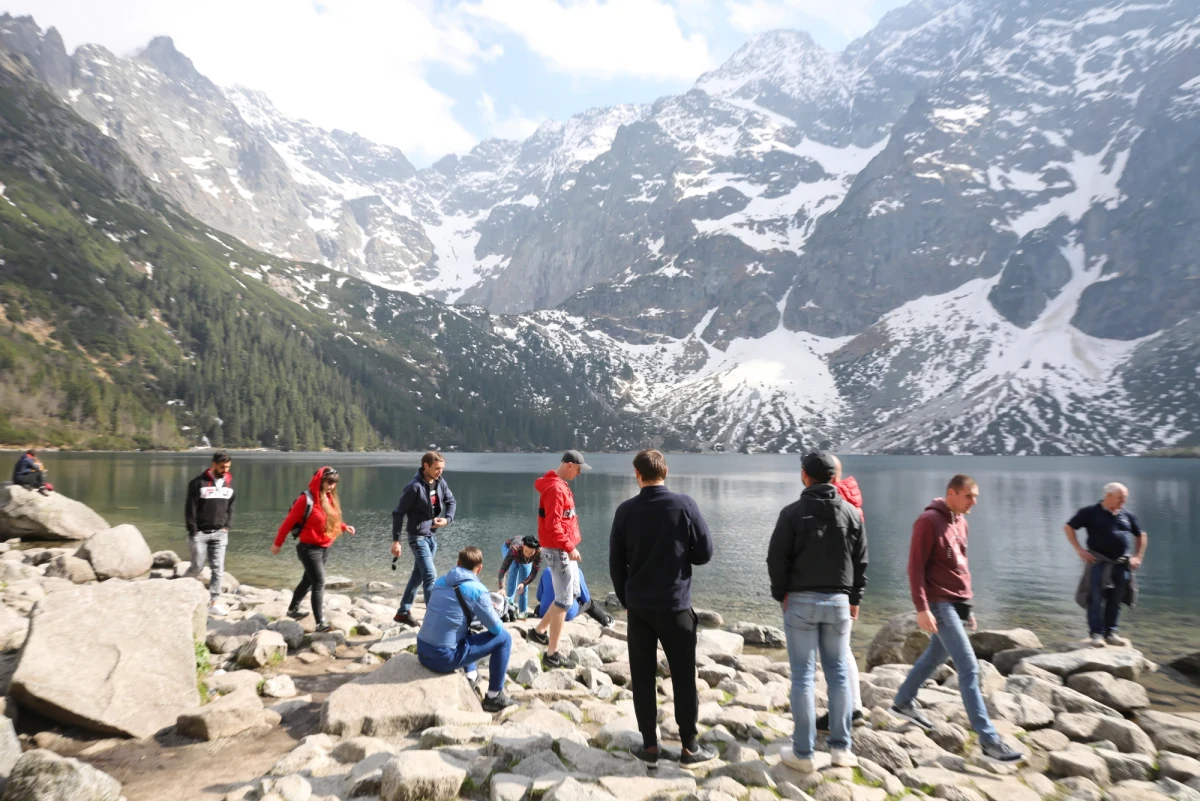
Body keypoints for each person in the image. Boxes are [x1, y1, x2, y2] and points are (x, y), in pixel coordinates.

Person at [889, 475, 1023, 764]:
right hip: (938, 604)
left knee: (933, 658)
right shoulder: (928, 521)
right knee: (969, 668)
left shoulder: (961, 521)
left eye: (976, 496)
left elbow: (960, 568)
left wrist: (968, 608)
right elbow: (915, 568)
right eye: (969, 496)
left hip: (956, 604)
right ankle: (989, 742)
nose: (974, 501)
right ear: (952, 493)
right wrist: (922, 608)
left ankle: (901, 702)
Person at [610, 449, 718, 769]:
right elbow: (706, 551)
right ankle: (689, 748)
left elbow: (617, 565)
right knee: (684, 677)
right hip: (676, 607)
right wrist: (685, 559)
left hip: (640, 609)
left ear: (638, 474)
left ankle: (650, 747)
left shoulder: (625, 511)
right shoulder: (685, 505)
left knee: (643, 678)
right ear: (665, 472)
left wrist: (626, 601)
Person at [767, 451, 867, 774]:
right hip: (839, 602)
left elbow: (776, 558)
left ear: (804, 476)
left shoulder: (792, 514)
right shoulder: (852, 514)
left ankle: (804, 752)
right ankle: (841, 749)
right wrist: (855, 597)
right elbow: (861, 560)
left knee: (803, 677)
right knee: (838, 675)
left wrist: (780, 593)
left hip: (800, 602)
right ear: (832, 479)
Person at [416, 546, 517, 713]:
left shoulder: (439, 582)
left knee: (463, 631)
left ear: (458, 563)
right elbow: (496, 629)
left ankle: (471, 675)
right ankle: (494, 697)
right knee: (504, 639)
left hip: (422, 650)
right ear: (479, 569)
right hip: (443, 658)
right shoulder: (477, 590)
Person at [271, 466, 355, 633]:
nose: (332, 485)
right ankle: (320, 623)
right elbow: (288, 523)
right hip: (309, 549)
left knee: (308, 580)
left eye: (335, 482)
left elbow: (330, 520)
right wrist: (278, 543)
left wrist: (344, 527)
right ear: (320, 480)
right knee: (319, 581)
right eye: (329, 482)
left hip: (325, 547)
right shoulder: (306, 500)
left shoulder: (328, 498)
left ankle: (292, 609)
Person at [817, 454, 866, 731]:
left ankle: (844, 712)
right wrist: (856, 595)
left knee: (833, 654)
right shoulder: (853, 504)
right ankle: (855, 706)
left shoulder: (838, 505)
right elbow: (861, 555)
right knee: (843, 650)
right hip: (846, 588)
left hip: (833, 590)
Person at [1065, 482, 1147, 647]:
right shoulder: (1089, 512)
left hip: (1121, 563)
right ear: (1108, 496)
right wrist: (1079, 550)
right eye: (1120, 498)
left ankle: (1111, 632)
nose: (1123, 501)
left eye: (1125, 498)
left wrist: (1138, 556)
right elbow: (1069, 527)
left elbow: (1141, 535)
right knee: (1095, 598)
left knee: (1116, 599)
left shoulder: (1127, 515)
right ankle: (1096, 634)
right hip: (1098, 561)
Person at [527, 450, 588, 669]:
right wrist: (569, 547)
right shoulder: (555, 489)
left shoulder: (558, 485)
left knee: (569, 594)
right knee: (564, 600)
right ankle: (552, 654)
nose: (579, 473)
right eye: (579, 469)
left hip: (561, 548)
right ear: (570, 465)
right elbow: (553, 525)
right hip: (558, 550)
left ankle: (538, 631)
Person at [391, 451, 457, 627]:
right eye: (437, 468)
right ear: (425, 466)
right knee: (430, 575)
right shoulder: (413, 487)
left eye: (442, 468)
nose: (440, 472)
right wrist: (396, 540)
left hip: (431, 537)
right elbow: (398, 513)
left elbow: (451, 501)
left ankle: (403, 612)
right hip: (417, 537)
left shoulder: (440, 482)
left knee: (417, 576)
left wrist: (447, 519)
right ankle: (434, 618)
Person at [184, 451, 236, 616]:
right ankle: (180, 589)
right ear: (213, 464)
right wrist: (193, 530)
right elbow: (190, 508)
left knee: (218, 569)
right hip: (199, 533)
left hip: (220, 534)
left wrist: (227, 526)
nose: (225, 470)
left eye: (227, 467)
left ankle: (214, 602)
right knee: (197, 566)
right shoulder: (198, 483)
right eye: (222, 467)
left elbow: (231, 505)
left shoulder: (228, 482)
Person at [533, 562, 615, 628]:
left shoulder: (547, 571)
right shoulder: (576, 571)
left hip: (544, 613)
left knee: (538, 607)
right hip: (567, 614)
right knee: (589, 603)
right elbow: (585, 598)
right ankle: (606, 620)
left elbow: (539, 597)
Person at [498, 534, 542, 618]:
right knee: (514, 568)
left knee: (523, 584)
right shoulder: (514, 549)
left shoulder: (539, 552)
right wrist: (502, 588)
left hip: (525, 560)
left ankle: (523, 613)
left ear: (535, 551)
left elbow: (533, 573)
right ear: (523, 546)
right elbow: (503, 571)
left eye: (531, 553)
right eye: (526, 551)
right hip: (508, 548)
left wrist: (524, 583)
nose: (527, 554)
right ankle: (509, 607)